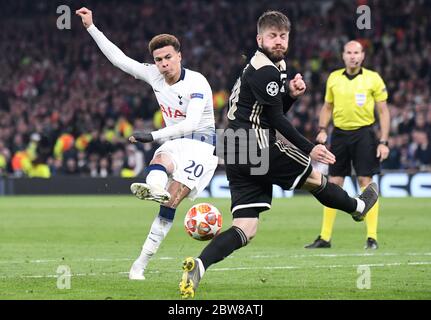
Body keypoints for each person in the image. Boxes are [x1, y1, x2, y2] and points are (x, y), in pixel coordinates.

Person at [179, 11, 379, 299]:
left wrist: (291, 96)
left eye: (283, 36)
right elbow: (274, 119)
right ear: (259, 38)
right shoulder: (267, 70)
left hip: (233, 146)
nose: (279, 41)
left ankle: (199, 265)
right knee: (314, 177)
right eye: (272, 36)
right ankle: (357, 208)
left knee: (246, 227)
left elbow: (270, 109)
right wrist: (310, 147)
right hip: (255, 142)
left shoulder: (276, 66)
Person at [76, 7, 218, 280]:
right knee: (160, 161)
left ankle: (141, 262)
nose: (163, 64)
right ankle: (154, 189)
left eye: (168, 58)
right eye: (158, 59)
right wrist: (92, 27)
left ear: (179, 56)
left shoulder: (197, 82)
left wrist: (150, 135)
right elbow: (120, 60)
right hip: (174, 141)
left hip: (201, 146)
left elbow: (190, 123)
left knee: (171, 204)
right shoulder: (153, 75)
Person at [305, 40, 390, 250]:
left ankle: (372, 237)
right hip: (340, 134)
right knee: (333, 183)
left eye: (357, 53)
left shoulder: (373, 79)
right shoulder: (334, 78)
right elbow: (327, 106)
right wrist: (323, 129)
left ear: (362, 56)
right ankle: (324, 237)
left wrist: (383, 141)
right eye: (349, 52)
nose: (353, 56)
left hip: (364, 134)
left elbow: (383, 112)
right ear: (343, 55)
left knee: (365, 180)